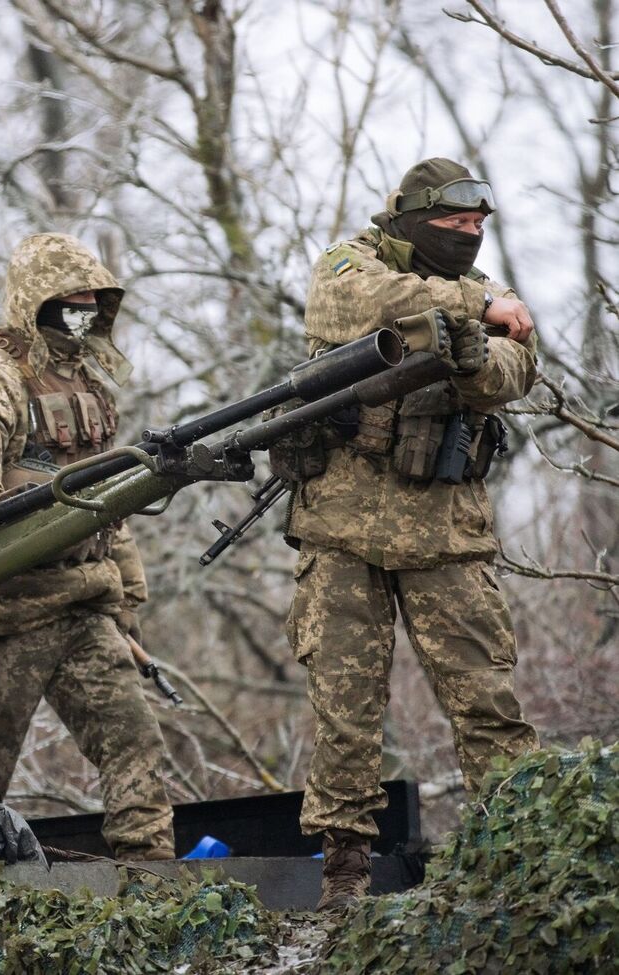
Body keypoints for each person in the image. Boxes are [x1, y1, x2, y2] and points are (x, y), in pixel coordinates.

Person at [286, 158, 540, 910]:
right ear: (408, 220)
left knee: (487, 698)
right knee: (346, 705)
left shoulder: (491, 300)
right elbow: (350, 302)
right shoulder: (352, 260)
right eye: (454, 225)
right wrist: (477, 305)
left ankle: (521, 849)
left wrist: (471, 349)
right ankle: (344, 873)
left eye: (476, 228)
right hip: (343, 524)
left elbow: (514, 366)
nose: (468, 237)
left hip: (446, 531)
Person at [0, 232, 177, 861]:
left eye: (94, 302)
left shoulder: (90, 385)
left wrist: (126, 607)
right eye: (68, 302)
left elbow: (111, 507)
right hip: (4, 611)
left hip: (83, 605)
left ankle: (154, 886)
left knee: (135, 746)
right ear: (34, 302)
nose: (83, 313)